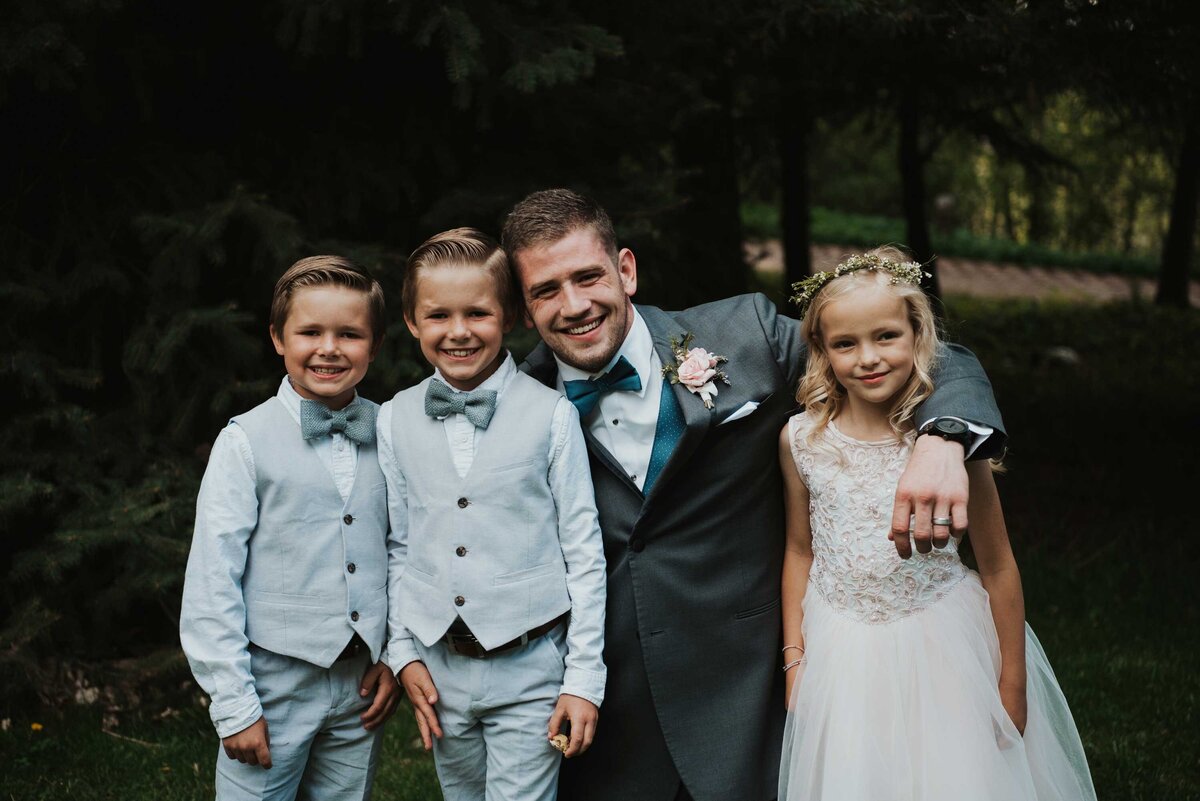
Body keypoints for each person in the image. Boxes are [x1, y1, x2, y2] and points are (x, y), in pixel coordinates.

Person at [503, 189, 1006, 801]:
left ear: (626, 270)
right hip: (611, 713)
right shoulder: (515, 404)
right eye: (546, 291)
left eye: (588, 277)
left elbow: (933, 358)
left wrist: (943, 438)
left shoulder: (747, 335)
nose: (574, 304)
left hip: (753, 693)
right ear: (526, 311)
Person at [777, 249, 1096, 800]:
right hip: (842, 652)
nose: (868, 358)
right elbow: (799, 551)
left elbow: (998, 566)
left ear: (917, 335)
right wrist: (794, 660)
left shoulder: (949, 444)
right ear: (822, 353)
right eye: (845, 344)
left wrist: (1012, 682)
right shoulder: (801, 442)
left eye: (886, 337)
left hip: (943, 643)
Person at [378, 228, 607, 801]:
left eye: (477, 313)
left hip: (529, 667)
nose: (458, 332)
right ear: (411, 322)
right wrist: (402, 652)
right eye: (438, 316)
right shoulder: (393, 418)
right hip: (438, 668)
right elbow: (397, 545)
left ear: (508, 315)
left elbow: (583, 553)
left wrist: (583, 680)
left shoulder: (552, 415)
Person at [180, 255, 400, 800]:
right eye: (310, 332)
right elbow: (213, 578)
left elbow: (404, 552)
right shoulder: (244, 442)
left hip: (359, 687)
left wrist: (395, 654)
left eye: (349, 334)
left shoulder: (393, 433)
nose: (329, 348)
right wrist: (234, 705)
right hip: (271, 684)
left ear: (373, 345)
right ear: (278, 337)